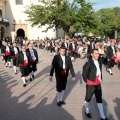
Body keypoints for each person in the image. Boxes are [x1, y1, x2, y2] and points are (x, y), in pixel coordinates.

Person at [82, 49, 108, 120]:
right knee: (88, 98)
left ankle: (102, 116)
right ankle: (86, 111)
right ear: (92, 54)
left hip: (98, 84)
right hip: (91, 84)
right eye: (96, 54)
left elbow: (99, 71)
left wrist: (99, 78)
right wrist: (87, 82)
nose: (97, 55)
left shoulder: (99, 62)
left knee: (99, 99)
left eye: (98, 54)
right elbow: (84, 74)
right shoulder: (89, 63)